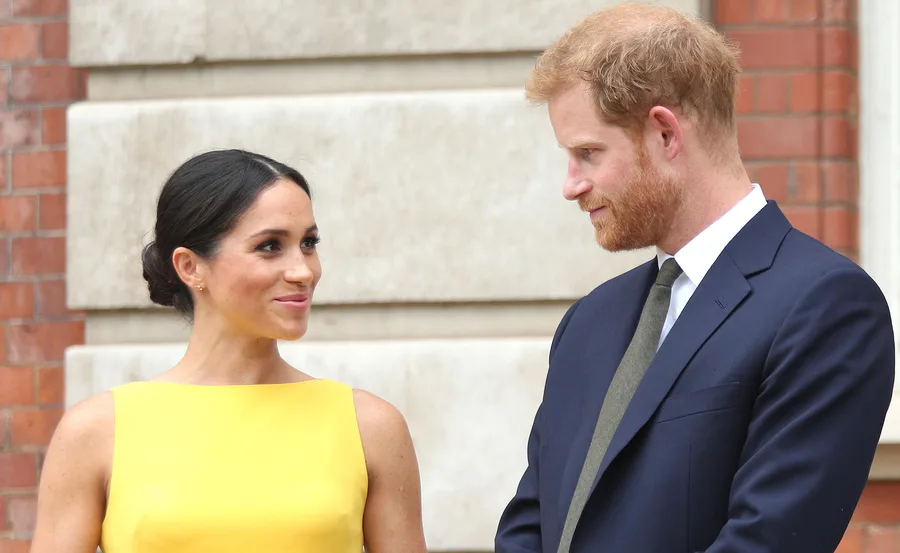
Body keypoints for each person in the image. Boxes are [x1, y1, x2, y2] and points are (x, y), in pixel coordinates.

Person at [495, 3, 895, 553]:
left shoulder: (825, 307)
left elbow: (767, 541)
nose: (571, 185)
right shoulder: (588, 322)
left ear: (665, 134)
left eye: (588, 153)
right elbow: (529, 525)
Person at [30, 149, 428, 553]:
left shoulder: (371, 427)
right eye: (270, 246)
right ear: (189, 267)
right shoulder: (96, 431)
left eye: (308, 243)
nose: (303, 270)